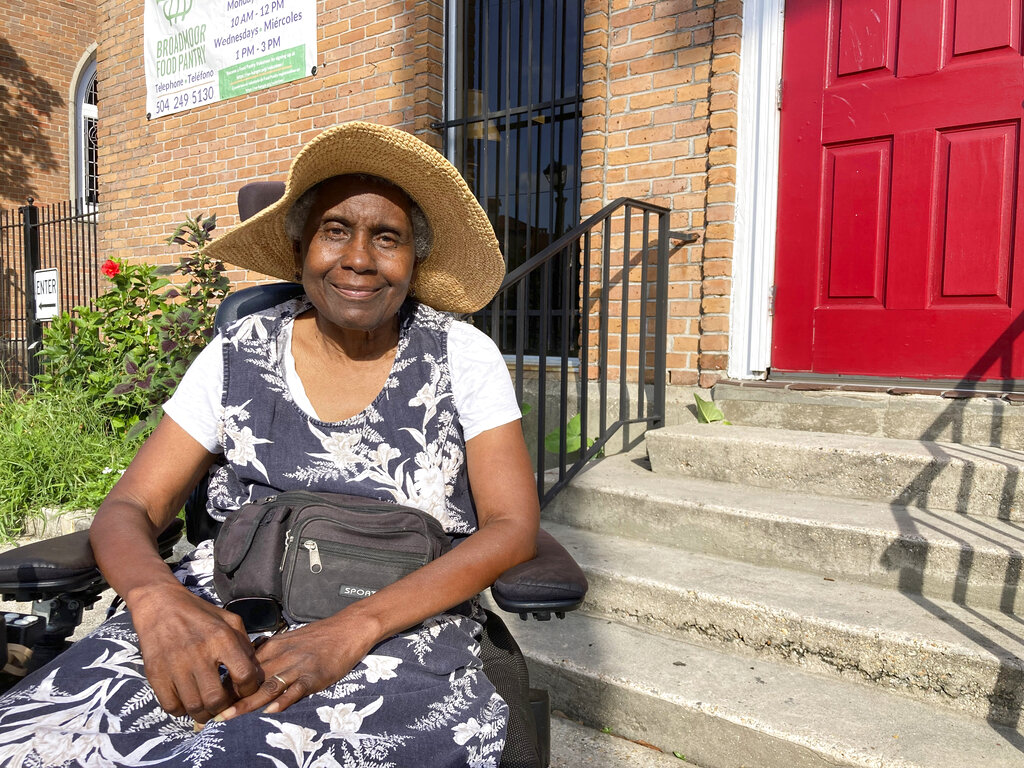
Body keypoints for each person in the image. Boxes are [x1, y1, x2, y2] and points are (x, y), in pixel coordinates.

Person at [0, 122, 540, 767]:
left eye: (387, 238)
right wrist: (157, 603)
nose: (360, 259)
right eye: (335, 230)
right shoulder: (239, 351)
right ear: (301, 246)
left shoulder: (460, 354)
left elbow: (510, 526)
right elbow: (130, 508)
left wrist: (354, 627)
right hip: (220, 605)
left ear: (414, 261)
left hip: (400, 620)